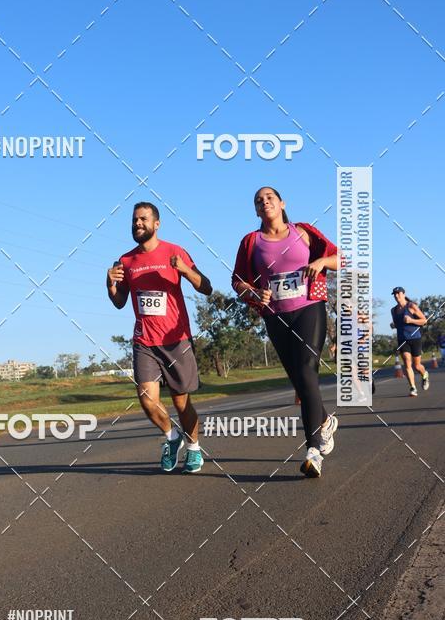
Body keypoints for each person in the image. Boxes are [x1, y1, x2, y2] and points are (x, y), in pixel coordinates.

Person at [232, 187, 340, 478]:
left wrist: (320, 262)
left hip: (309, 308)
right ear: (256, 211)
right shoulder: (250, 242)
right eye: (258, 200)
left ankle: (313, 450)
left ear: (281, 203)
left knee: (306, 372)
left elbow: (339, 259)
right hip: (276, 317)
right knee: (300, 384)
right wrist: (253, 292)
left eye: (269, 197)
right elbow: (238, 281)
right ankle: (326, 422)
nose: (264, 201)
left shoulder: (303, 232)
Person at [106, 202, 212, 473]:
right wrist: (110, 285)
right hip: (144, 341)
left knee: (181, 401)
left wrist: (185, 271)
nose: (137, 224)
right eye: (134, 220)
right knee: (146, 399)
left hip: (176, 339)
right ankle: (170, 436)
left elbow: (207, 288)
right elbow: (119, 302)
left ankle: (193, 447)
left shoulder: (174, 251)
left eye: (143, 219)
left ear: (157, 224)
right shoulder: (126, 261)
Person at [390, 288, 429, 396]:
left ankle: (424, 374)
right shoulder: (393, 310)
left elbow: (424, 321)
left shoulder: (411, 306)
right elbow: (398, 324)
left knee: (417, 366)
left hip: (415, 338)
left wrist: (411, 320)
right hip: (402, 339)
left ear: (403, 294)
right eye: (394, 294)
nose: (396, 295)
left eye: (398, 293)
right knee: (407, 362)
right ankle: (413, 388)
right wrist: (393, 325)